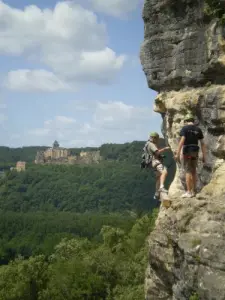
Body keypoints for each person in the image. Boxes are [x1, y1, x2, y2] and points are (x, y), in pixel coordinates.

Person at [175, 113, 206, 198]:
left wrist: (177, 153)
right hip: (195, 152)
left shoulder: (185, 128)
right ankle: (194, 191)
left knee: (188, 171)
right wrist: (204, 156)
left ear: (186, 121)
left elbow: (182, 140)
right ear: (193, 121)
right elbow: (203, 144)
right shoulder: (198, 129)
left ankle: (188, 192)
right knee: (194, 171)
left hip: (187, 151)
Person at [146, 132, 171, 199]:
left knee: (158, 177)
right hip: (156, 162)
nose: (157, 140)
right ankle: (161, 187)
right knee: (164, 172)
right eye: (157, 139)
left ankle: (157, 193)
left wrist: (160, 156)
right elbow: (157, 152)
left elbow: (153, 153)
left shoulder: (148, 144)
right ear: (154, 138)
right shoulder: (152, 144)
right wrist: (165, 149)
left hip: (152, 163)